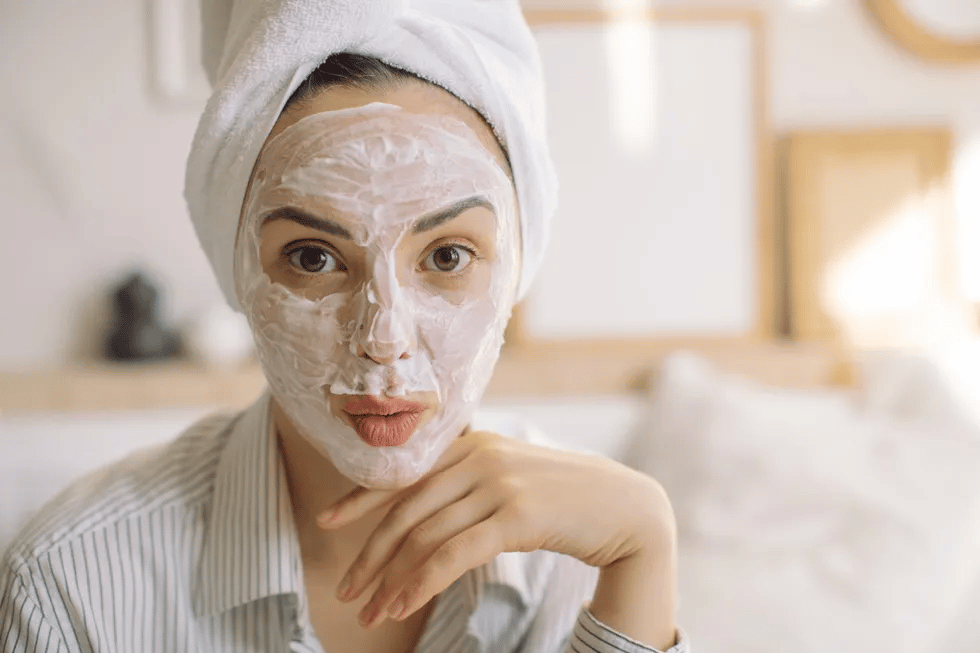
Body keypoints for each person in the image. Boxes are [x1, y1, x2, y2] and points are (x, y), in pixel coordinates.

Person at [0, 2, 689, 652]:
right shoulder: (73, 584)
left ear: (516, 267)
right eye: (314, 257)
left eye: (447, 256)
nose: (384, 337)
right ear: (236, 265)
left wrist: (643, 552)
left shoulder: (577, 567)